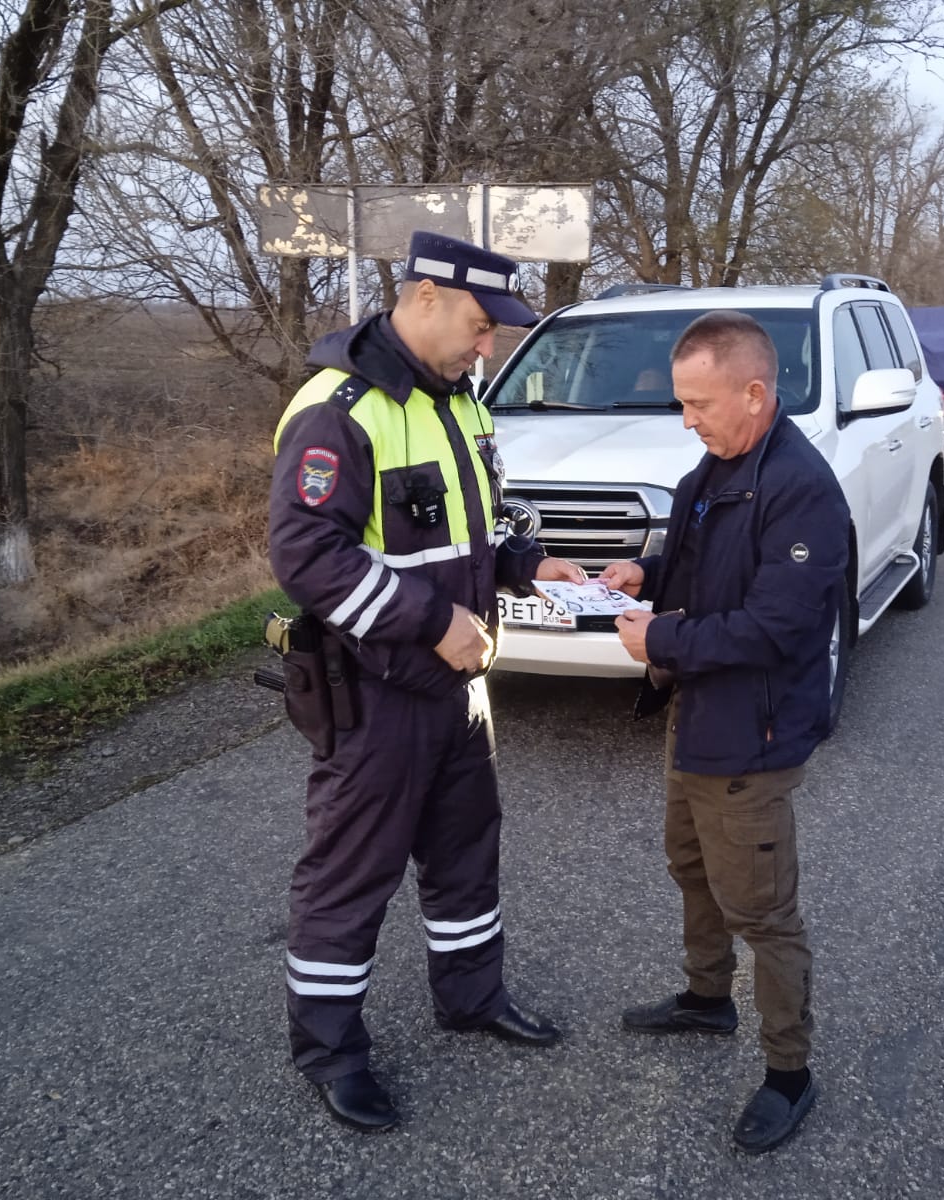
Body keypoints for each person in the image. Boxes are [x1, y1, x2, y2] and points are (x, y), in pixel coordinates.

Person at [268, 231, 586, 1133]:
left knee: (464, 851)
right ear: (424, 298)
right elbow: (307, 556)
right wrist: (432, 621)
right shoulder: (339, 410)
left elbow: (471, 523)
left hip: (459, 687)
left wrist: (528, 563)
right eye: (482, 327)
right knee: (350, 874)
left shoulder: (458, 398)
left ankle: (472, 998)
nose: (490, 347)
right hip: (374, 693)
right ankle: (331, 1052)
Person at [598, 310, 851, 1155]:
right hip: (697, 714)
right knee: (691, 863)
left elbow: (774, 626)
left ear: (754, 392)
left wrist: (660, 638)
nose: (687, 420)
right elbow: (707, 572)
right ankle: (707, 999)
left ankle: (790, 1073)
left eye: (699, 402)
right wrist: (649, 572)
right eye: (681, 403)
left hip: (756, 734)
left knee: (763, 911)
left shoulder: (803, 489)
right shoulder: (713, 469)